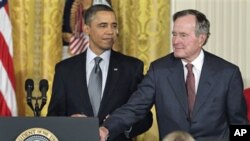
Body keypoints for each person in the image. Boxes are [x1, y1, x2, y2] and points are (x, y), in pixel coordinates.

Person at [99, 9, 248, 141]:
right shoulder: (159, 70)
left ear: (201, 39)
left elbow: (239, 123)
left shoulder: (227, 73)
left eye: (183, 35)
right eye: (174, 34)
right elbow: (134, 107)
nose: (176, 41)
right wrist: (107, 128)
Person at [47, 4, 152, 141]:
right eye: (103, 26)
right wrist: (69, 122)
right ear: (86, 29)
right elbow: (53, 116)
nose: (110, 31)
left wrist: (121, 125)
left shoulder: (131, 67)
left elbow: (145, 116)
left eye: (113, 26)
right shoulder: (65, 69)